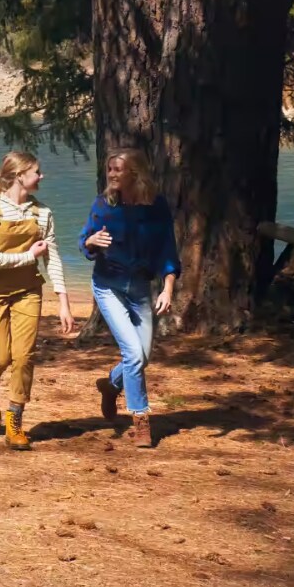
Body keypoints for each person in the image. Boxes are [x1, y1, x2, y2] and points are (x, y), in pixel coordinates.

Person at [0, 150, 77, 450]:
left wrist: (64, 302)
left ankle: (15, 419)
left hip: (28, 291)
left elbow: (53, 259)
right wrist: (27, 256)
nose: (41, 177)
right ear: (20, 176)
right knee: (0, 356)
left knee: (24, 356)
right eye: (37, 172)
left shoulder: (43, 214)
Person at [80, 148, 180, 448]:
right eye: (109, 169)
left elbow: (167, 249)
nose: (111, 174)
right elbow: (85, 240)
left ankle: (111, 385)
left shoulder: (156, 206)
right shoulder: (104, 204)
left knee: (143, 356)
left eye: (117, 170)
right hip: (107, 286)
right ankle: (141, 421)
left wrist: (168, 287)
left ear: (134, 173)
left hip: (140, 288)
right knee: (134, 355)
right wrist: (92, 241)